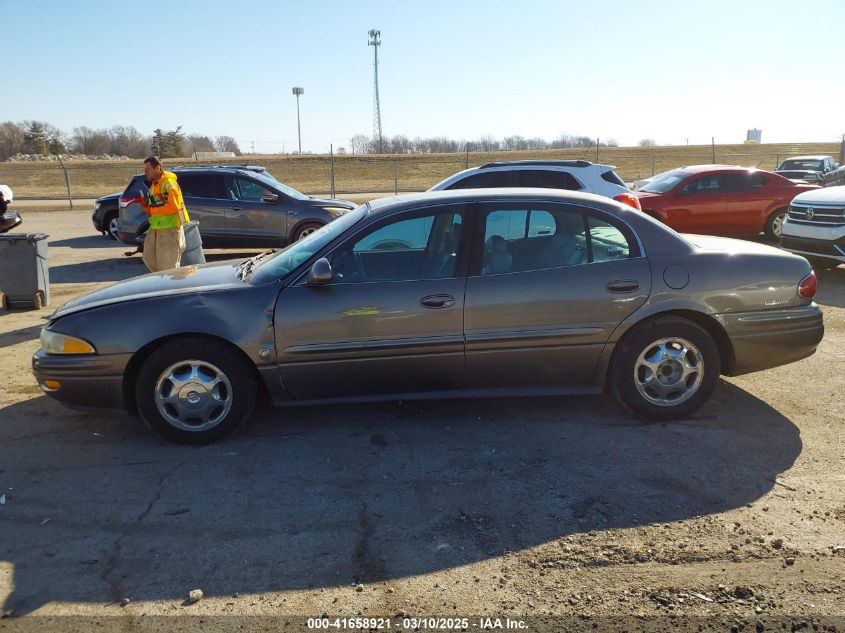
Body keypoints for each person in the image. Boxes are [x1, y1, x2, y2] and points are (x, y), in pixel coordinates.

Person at [140, 156, 190, 272]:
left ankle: (169, 286)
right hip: (156, 228)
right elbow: (157, 206)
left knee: (168, 269)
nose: (145, 172)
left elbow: (174, 206)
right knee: (148, 257)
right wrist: (146, 207)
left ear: (158, 168)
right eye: (145, 170)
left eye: (148, 169)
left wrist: (151, 210)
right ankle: (162, 282)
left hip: (170, 229)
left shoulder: (169, 183)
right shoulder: (154, 185)